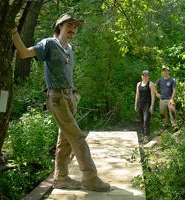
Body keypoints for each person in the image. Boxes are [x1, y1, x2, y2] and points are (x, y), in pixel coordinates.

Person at [10, 13, 110, 192]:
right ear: (59, 26)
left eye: (76, 26)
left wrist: (74, 95)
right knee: (78, 138)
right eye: (69, 25)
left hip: (70, 97)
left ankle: (61, 178)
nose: (73, 28)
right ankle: (90, 177)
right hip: (56, 98)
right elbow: (24, 53)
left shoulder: (69, 48)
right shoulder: (49, 43)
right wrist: (13, 32)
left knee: (65, 140)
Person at [155, 65, 178, 132]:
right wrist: (156, 93)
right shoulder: (159, 80)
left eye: (166, 70)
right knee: (162, 113)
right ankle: (165, 125)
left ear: (169, 71)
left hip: (170, 99)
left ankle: (174, 126)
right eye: (164, 70)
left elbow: (174, 90)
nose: (165, 72)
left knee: (172, 111)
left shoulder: (172, 80)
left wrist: (172, 98)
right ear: (162, 72)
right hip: (162, 99)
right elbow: (154, 87)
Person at [134, 70, 155, 143]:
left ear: (148, 76)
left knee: (146, 120)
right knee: (141, 120)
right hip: (140, 103)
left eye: (146, 76)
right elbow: (137, 95)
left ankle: (146, 136)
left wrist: (152, 106)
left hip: (147, 104)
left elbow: (153, 96)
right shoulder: (138, 84)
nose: (145, 77)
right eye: (143, 75)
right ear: (141, 76)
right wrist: (135, 104)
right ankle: (143, 136)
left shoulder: (150, 84)